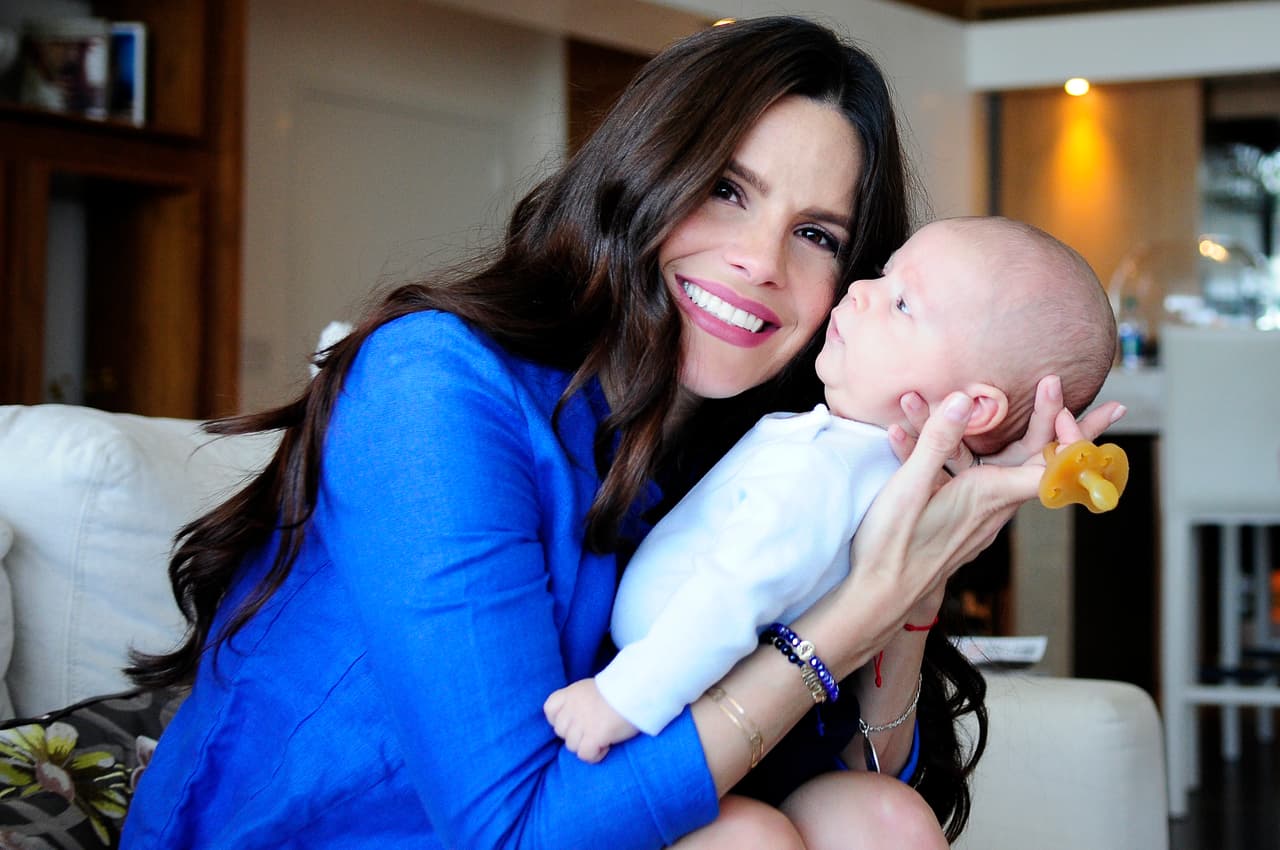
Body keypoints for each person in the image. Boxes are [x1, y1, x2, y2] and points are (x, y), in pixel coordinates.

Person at [120, 16, 1123, 850]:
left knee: (880, 820)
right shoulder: (435, 384)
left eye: (816, 234)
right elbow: (510, 831)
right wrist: (852, 610)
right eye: (725, 189)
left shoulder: (760, 447)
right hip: (329, 834)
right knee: (746, 840)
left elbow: (838, 769)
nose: (759, 261)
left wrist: (909, 596)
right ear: (640, 173)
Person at [543, 216, 1116, 776]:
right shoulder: (866, 467)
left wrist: (622, 699)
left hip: (694, 705)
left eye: (903, 305)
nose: (861, 292)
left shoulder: (823, 469)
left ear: (975, 407)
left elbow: (737, 592)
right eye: (882, 275)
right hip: (735, 707)